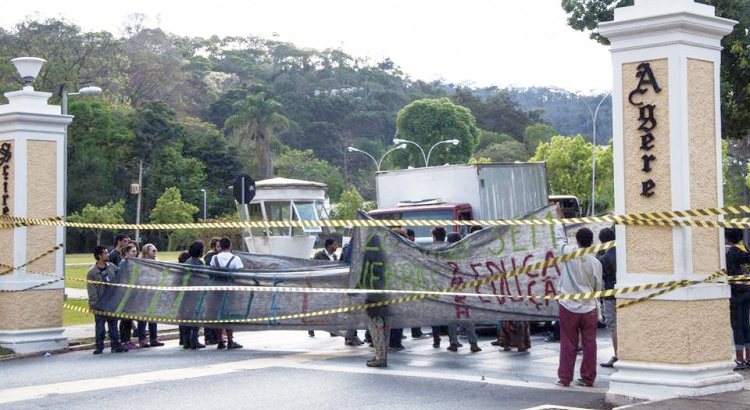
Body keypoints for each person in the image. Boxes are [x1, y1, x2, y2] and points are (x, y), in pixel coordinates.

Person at [553, 205, 603, 388]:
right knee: (590, 344)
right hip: (589, 307)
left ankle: (565, 378)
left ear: (577, 241)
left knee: (568, 342)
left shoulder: (569, 254)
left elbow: (559, 237)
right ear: (591, 241)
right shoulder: (596, 263)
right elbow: (599, 287)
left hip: (568, 305)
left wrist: (559, 218)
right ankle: (588, 378)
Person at [87, 245, 127, 354]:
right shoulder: (92, 272)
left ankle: (115, 345)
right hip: (100, 303)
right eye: (105, 253)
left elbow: (120, 278)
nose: (108, 254)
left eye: (107, 252)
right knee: (100, 326)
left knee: (113, 325)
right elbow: (92, 290)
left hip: (112, 302)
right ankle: (99, 346)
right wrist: (95, 303)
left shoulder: (112, 267)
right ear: (99, 256)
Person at [445, 232, 481, 353]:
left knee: (452, 317)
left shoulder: (445, 254)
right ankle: (473, 343)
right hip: (464, 288)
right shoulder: (465, 253)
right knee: (467, 316)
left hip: (451, 288)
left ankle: (454, 342)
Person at [210, 237, 244, 349]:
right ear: (230, 246)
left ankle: (220, 340)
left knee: (218, 315)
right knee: (229, 315)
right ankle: (230, 340)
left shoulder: (214, 258)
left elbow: (211, 272)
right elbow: (241, 274)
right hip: (230, 291)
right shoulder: (235, 259)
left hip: (217, 291)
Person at [725, 228, 750, 370]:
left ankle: (739, 359)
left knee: (737, 326)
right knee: (747, 325)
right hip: (748, 290)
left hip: (737, 294)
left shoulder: (732, 253)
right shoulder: (746, 250)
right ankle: (748, 357)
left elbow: (729, 273)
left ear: (728, 239)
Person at [598, 227, 618, 368]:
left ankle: (617, 355)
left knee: (613, 325)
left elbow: (601, 281)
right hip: (623, 294)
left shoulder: (603, 259)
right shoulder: (622, 254)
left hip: (610, 295)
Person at [137, 243, 165, 348]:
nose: (155, 252)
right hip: (143, 294)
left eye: (156, 250)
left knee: (153, 317)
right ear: (146, 251)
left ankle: (154, 338)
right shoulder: (141, 264)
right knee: (143, 318)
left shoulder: (157, 263)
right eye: (153, 250)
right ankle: (142, 339)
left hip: (154, 293)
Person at [181, 241, 207, 350]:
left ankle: (186, 340)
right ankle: (194, 339)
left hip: (186, 294)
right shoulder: (199, 263)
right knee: (196, 317)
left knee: (187, 317)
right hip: (196, 293)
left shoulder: (187, 261)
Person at [117, 243, 140, 350]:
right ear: (126, 253)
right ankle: (124, 340)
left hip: (132, 294)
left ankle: (128, 339)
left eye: (136, 251)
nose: (135, 254)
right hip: (124, 294)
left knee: (129, 318)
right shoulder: (123, 263)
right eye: (133, 251)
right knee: (125, 319)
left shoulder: (133, 263)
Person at [430, 226, 449, 349]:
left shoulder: (430, 250)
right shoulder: (449, 248)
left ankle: (436, 338)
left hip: (433, 284)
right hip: (447, 284)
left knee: (434, 313)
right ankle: (453, 339)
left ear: (434, 236)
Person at [202, 237, 222, 345]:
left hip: (216, 287)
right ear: (214, 247)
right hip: (211, 287)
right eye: (218, 246)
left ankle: (215, 336)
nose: (220, 248)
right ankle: (209, 336)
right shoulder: (210, 257)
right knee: (210, 312)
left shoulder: (217, 256)